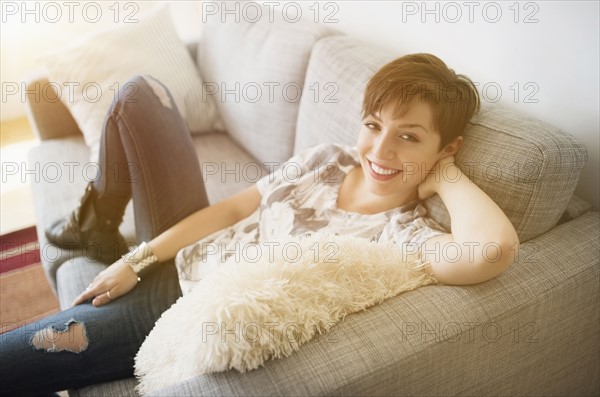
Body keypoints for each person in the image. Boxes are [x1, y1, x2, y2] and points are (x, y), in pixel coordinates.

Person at [0, 53, 519, 395]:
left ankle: (96, 226)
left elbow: (493, 252)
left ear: (446, 147)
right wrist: (137, 259)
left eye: (409, 137)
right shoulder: (328, 159)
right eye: (373, 125)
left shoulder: (407, 237)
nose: (380, 151)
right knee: (141, 92)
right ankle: (98, 224)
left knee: (16, 357)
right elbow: (234, 209)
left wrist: (447, 177)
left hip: (180, 307)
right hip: (189, 247)